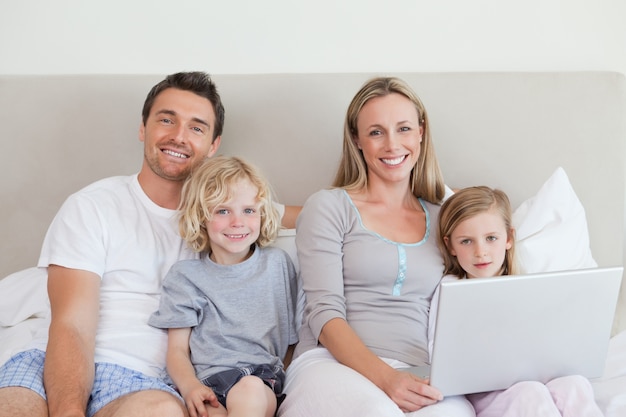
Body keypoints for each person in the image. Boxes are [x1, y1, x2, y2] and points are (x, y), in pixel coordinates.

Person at [0, 71, 299, 417]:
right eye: (166, 120)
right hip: (54, 362)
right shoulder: (94, 205)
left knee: (159, 411)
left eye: (197, 127)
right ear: (143, 128)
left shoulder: (228, 217)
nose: (178, 136)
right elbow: (72, 324)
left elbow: (317, 215)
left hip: (146, 383)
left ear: (213, 145)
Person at [277, 77, 476, 417]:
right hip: (330, 363)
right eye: (376, 132)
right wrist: (387, 379)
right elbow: (324, 313)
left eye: (403, 129)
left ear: (421, 133)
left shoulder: (445, 218)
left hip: (418, 368)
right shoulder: (328, 207)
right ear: (356, 139)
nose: (392, 145)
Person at [148, 155, 300, 417]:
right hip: (207, 383)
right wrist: (190, 387)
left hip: (260, 378)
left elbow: (290, 341)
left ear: (262, 214)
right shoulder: (185, 276)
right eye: (222, 210)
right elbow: (177, 350)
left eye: (248, 210)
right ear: (201, 217)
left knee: (249, 390)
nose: (237, 222)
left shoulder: (277, 265)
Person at [436, 185, 604, 417]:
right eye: (466, 241)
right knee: (529, 393)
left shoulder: (526, 285)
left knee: (574, 383)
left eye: (491, 238)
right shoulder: (450, 289)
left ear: (509, 238)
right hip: (485, 390)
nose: (481, 252)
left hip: (535, 374)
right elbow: (442, 354)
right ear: (450, 246)